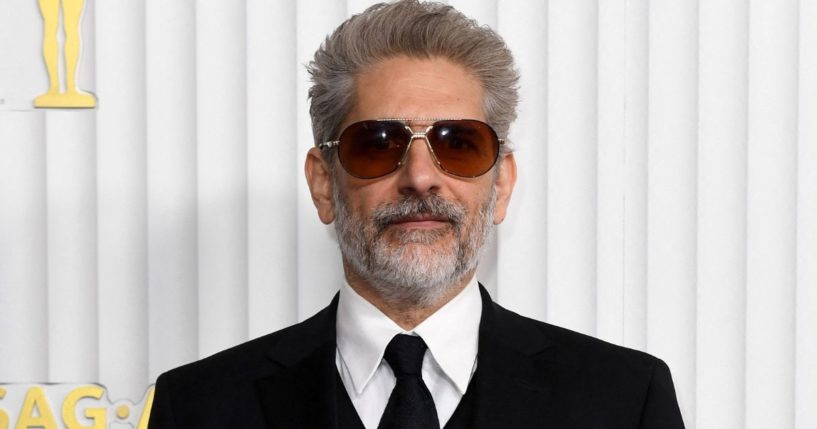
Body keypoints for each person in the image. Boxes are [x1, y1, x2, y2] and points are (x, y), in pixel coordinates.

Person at [148, 1, 685, 428]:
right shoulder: (199, 407)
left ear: (500, 185)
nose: (420, 176)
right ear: (323, 184)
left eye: (460, 143)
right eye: (378, 143)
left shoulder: (624, 400)